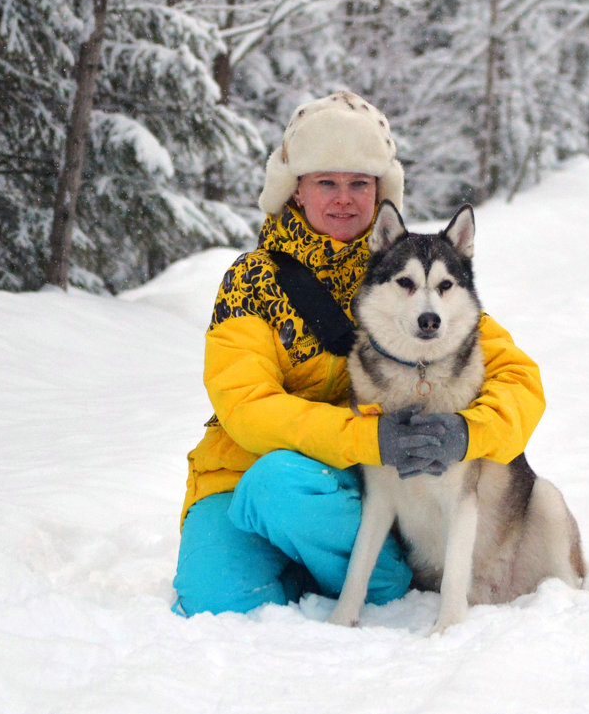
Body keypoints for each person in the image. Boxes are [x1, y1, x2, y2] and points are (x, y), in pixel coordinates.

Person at [172, 90, 546, 617]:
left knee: (289, 493)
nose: (343, 198)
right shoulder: (251, 281)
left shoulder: (411, 272)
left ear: (379, 192)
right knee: (217, 605)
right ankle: (312, 561)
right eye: (326, 181)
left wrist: (469, 433)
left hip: (354, 483)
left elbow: (518, 379)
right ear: (296, 190)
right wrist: (367, 437)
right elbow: (244, 406)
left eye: (359, 183)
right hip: (245, 475)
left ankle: (363, 574)